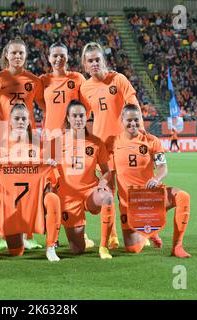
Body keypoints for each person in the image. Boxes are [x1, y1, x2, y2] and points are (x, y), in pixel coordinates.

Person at [79, 42, 157, 250]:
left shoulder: (118, 79)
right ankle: (112, 236)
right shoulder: (84, 88)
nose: (94, 64)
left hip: (125, 145)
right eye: (90, 61)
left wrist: (140, 131)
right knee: (107, 192)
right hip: (103, 148)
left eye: (97, 59)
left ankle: (142, 230)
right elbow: (85, 117)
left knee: (129, 191)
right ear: (85, 65)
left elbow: (134, 104)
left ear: (103, 60)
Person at [104, 104, 191, 258]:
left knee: (183, 196)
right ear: (122, 120)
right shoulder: (112, 142)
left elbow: (163, 168)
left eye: (136, 120)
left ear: (141, 120)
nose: (133, 124)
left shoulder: (151, 141)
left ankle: (177, 246)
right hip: (129, 204)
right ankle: (149, 231)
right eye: (129, 120)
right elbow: (103, 165)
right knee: (133, 249)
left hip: (152, 197)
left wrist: (157, 179)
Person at [0, 38, 46, 250]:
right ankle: (4, 235)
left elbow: (44, 105)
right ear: (6, 55)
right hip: (5, 138)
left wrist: (45, 128)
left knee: (29, 187)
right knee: (5, 189)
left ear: (25, 55)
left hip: (28, 138)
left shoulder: (33, 80)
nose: (17, 56)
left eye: (21, 53)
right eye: (14, 53)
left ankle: (28, 235)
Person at [0, 103, 61, 261]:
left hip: (34, 203)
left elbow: (49, 183)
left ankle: (51, 247)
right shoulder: (0, 147)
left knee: (53, 199)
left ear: (29, 122)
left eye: (23, 119)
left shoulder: (38, 148)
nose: (20, 122)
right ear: (10, 122)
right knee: (16, 252)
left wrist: (50, 164)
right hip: (11, 207)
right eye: (17, 118)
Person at [40, 43, 93, 248]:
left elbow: (86, 107)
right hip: (51, 140)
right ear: (49, 57)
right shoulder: (43, 81)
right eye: (54, 56)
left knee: (75, 184)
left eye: (62, 56)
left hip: (72, 141)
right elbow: (43, 105)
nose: (58, 59)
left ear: (67, 58)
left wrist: (76, 129)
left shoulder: (77, 79)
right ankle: (53, 232)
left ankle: (81, 229)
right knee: (51, 186)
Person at [56, 100, 114, 259]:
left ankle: (104, 246)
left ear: (86, 117)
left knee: (106, 196)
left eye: (82, 115)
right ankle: (80, 238)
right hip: (68, 197)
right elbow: (48, 171)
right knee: (77, 249)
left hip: (90, 193)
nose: (78, 119)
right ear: (68, 118)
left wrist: (102, 184)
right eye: (74, 115)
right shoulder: (56, 141)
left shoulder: (96, 142)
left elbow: (107, 172)